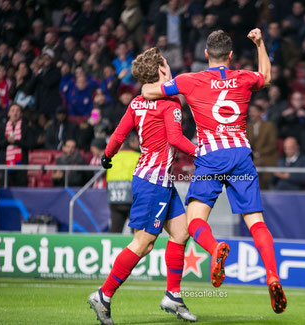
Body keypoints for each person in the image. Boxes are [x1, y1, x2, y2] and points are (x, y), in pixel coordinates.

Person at [142, 29, 287, 314]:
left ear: (206, 54)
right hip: (241, 156)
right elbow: (266, 76)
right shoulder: (244, 77)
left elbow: (148, 92)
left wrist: (167, 77)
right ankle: (272, 275)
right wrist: (259, 44)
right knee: (256, 222)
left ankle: (215, 248)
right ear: (230, 56)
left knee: (195, 222)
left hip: (209, 157)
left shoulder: (189, 80)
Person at [88, 47, 198, 324]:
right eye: (166, 64)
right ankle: (104, 294)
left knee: (181, 232)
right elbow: (175, 139)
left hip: (153, 179)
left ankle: (172, 295)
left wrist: (106, 156)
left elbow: (119, 134)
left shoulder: (137, 102)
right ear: (161, 70)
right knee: (144, 243)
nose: (169, 67)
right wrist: (203, 153)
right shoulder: (170, 103)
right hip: (154, 183)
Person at [106, 132, 140, 233]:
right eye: (137, 141)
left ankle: (110, 248)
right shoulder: (138, 157)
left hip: (114, 198)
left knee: (115, 231)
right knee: (136, 233)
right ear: (131, 142)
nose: (139, 144)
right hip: (132, 199)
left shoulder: (113, 157)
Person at [0, 104, 34, 187]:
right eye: (12, 111)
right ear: (8, 113)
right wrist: (7, 141)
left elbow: (31, 145)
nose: (15, 113)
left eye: (17, 111)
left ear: (21, 114)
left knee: (21, 189)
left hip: (21, 165)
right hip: (5, 164)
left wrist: (16, 142)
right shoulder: (2, 128)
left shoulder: (26, 127)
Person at [246, 103, 278, 189]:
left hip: (267, 157)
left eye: (254, 111)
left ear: (261, 113)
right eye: (250, 112)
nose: (251, 114)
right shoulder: (248, 126)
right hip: (253, 158)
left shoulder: (269, 126)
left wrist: (259, 153)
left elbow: (272, 144)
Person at [278, 91, 305, 158]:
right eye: (295, 99)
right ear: (292, 101)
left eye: (299, 99)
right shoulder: (287, 114)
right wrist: (282, 115)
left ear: (303, 101)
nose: (297, 102)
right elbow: (276, 125)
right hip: (290, 149)